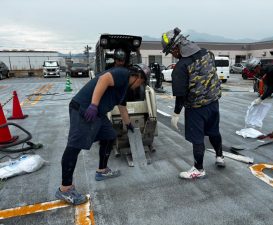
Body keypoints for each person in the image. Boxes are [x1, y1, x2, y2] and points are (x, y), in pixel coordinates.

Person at [55, 64, 150, 205]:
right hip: (83, 108)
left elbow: (122, 106)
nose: (139, 86)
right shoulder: (122, 73)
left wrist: (128, 123)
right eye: (141, 82)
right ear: (138, 77)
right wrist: (93, 105)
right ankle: (65, 188)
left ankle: (102, 170)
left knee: (109, 135)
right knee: (74, 146)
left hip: (98, 114)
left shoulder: (125, 88)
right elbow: (104, 80)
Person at [161, 28, 225, 180]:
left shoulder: (181, 67)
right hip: (214, 103)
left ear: (177, 46)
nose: (172, 55)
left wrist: (176, 113)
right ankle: (220, 156)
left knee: (197, 139)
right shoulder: (206, 53)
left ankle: (198, 169)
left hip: (196, 109)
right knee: (214, 131)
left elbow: (181, 95)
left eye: (171, 51)